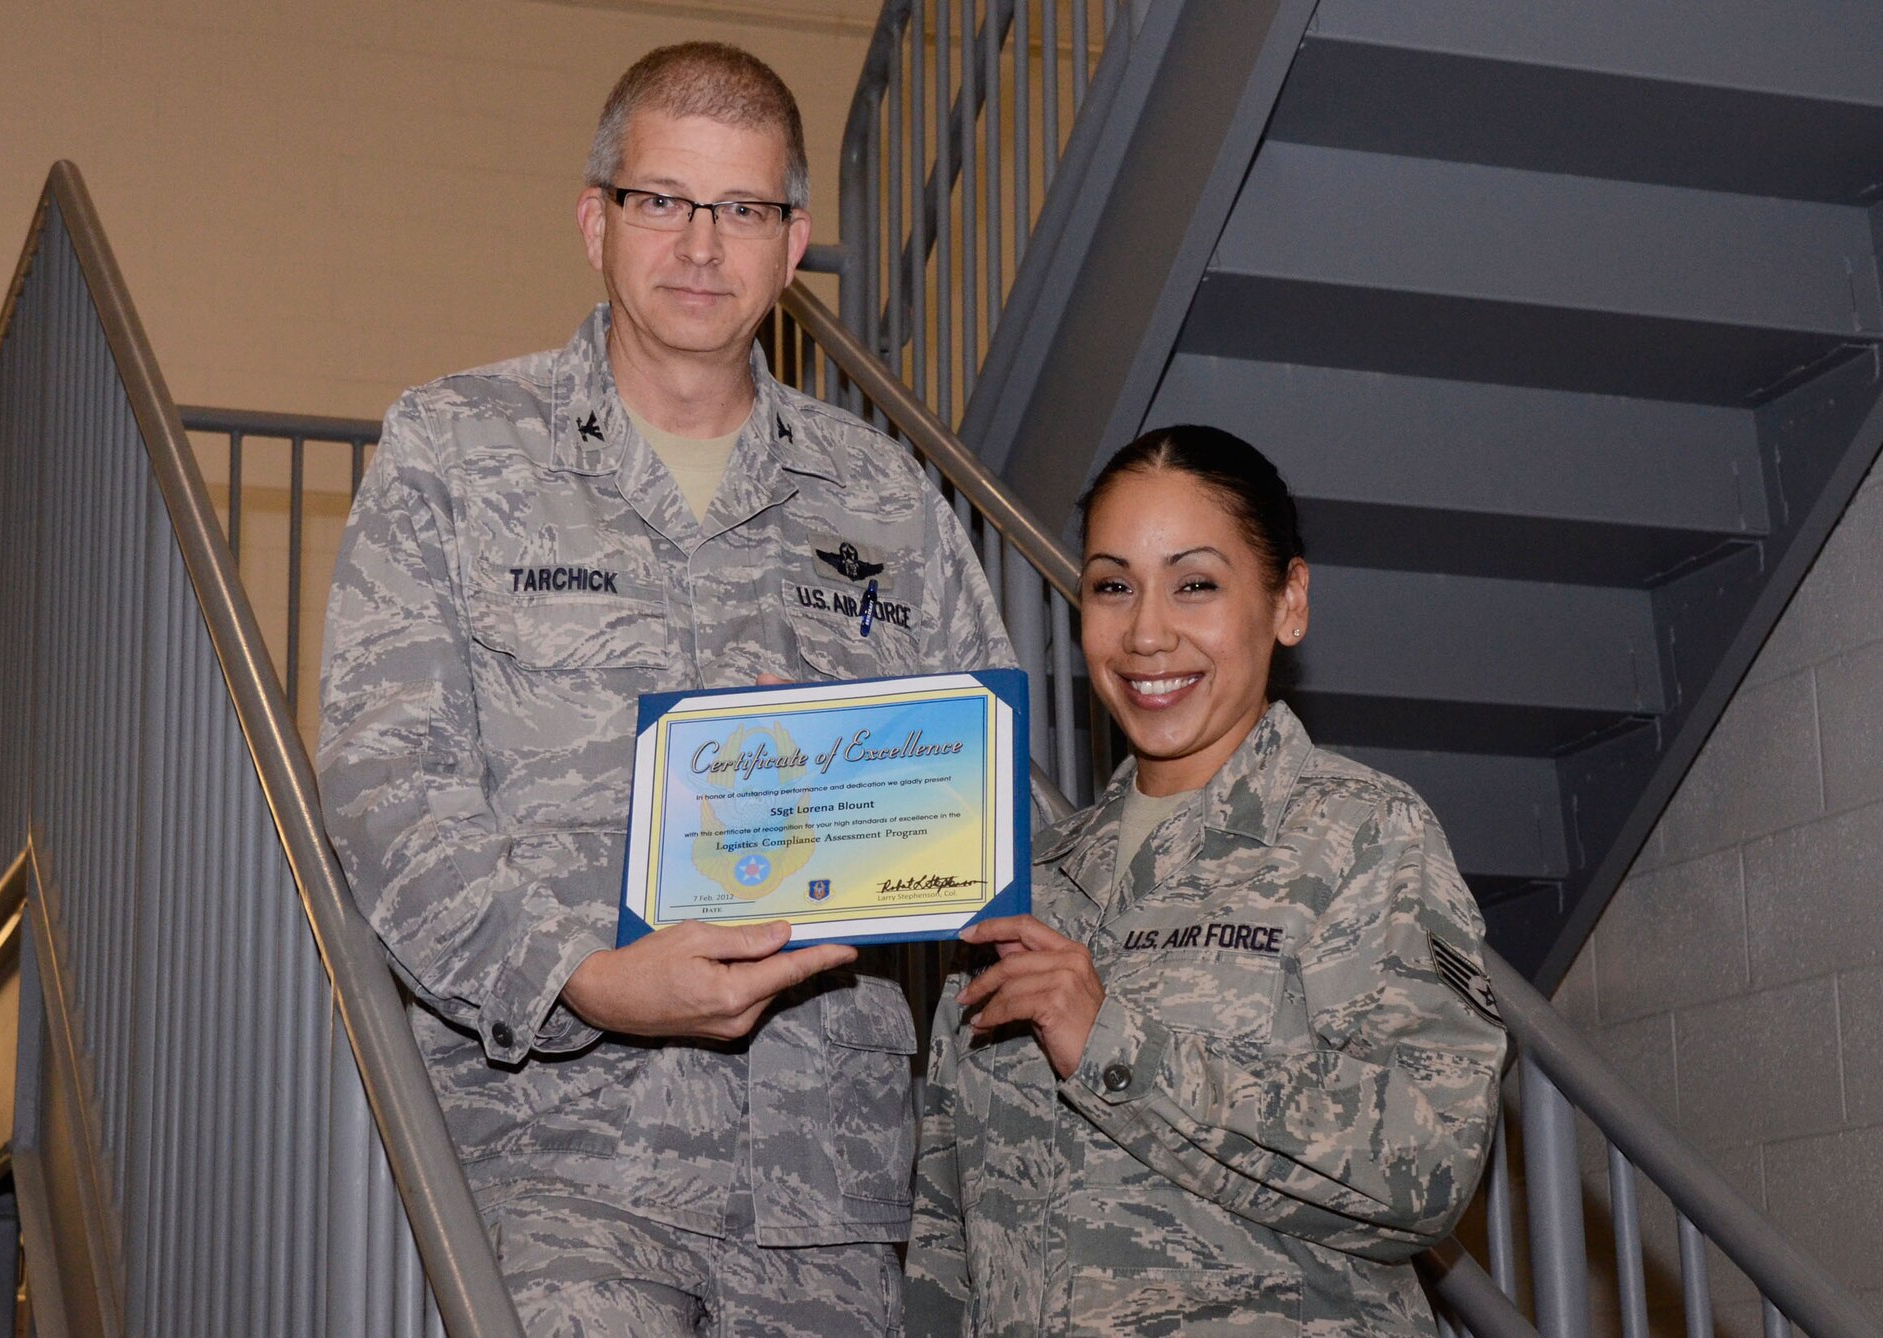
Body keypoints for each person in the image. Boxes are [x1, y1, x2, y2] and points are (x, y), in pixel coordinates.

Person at [317, 42, 1016, 1336]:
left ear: (794, 239)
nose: (701, 245)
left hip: (826, 1191)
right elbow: (382, 785)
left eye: (742, 209)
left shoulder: (886, 501)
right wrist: (580, 975)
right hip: (555, 1158)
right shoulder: (458, 453)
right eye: (663, 201)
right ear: (596, 219)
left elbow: (990, 792)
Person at [904, 425, 1508, 1335]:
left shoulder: (1359, 834)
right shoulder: (1024, 884)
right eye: (1113, 586)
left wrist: (1112, 1041)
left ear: (1288, 602)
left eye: (1195, 584)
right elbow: (948, 1229)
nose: (1147, 633)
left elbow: (1425, 1168)